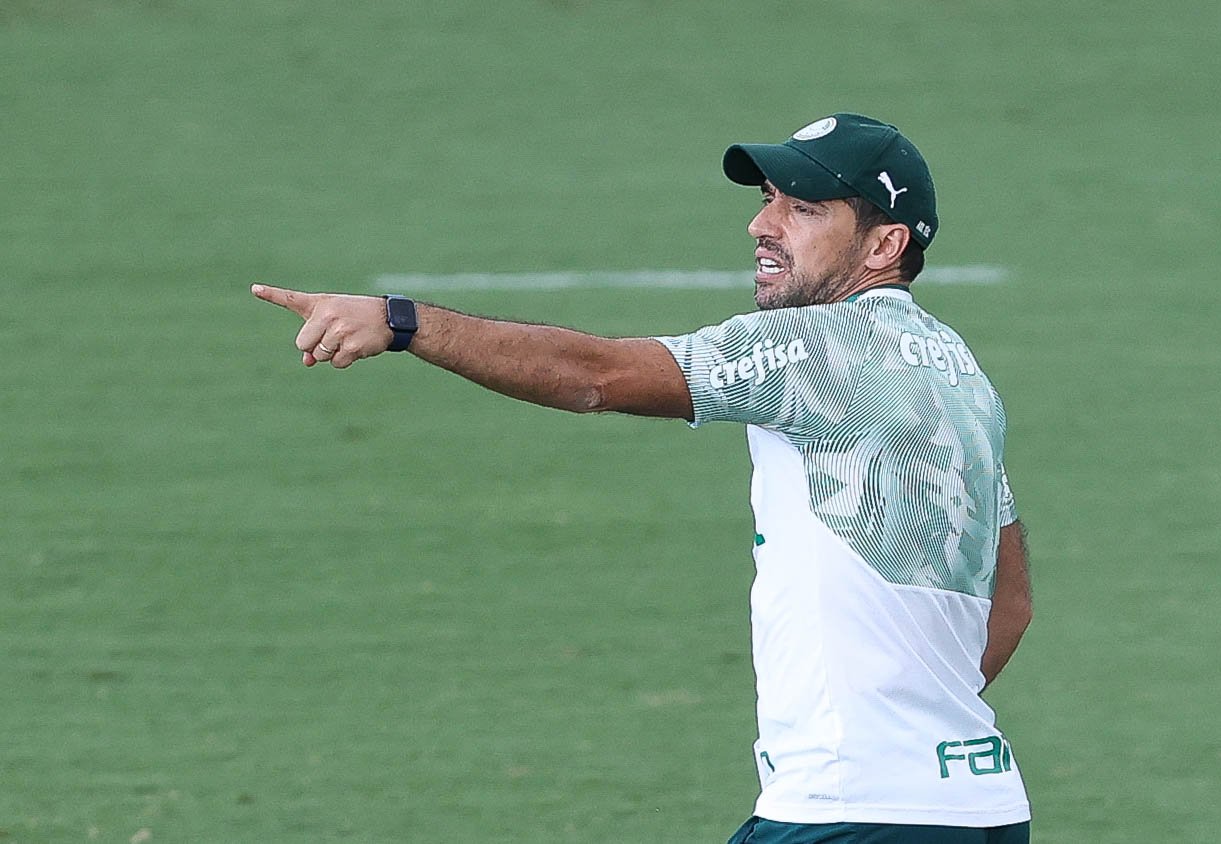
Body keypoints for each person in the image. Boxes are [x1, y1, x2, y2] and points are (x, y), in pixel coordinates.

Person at [253, 113, 1034, 843]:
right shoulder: (962, 377)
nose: (762, 226)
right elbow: (1013, 598)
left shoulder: (819, 348)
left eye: (803, 209)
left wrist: (401, 323)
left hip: (852, 811)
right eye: (769, 201)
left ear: (881, 246)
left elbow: (595, 377)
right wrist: (917, 724)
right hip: (977, 805)